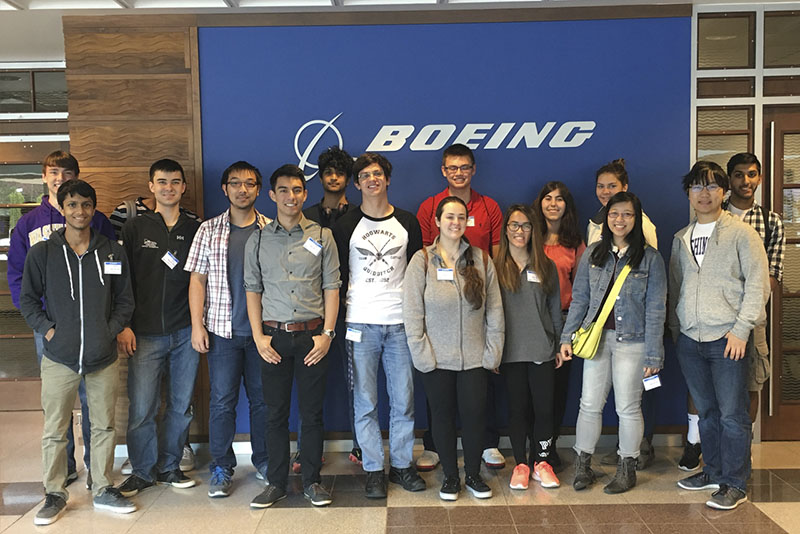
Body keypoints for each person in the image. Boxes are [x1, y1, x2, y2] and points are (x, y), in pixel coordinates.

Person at [20, 180, 136, 525]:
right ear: (62, 207)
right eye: (72, 205)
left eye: (86, 205)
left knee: (103, 426)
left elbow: (125, 299)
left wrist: (110, 329)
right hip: (59, 357)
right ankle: (54, 493)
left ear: (93, 208)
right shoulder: (43, 252)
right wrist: (50, 330)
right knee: (55, 429)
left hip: (102, 356)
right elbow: (27, 299)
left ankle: (102, 487)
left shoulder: (112, 251)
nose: (80, 211)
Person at [7, 150, 115, 491]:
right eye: (54, 172)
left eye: (67, 173)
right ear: (44, 177)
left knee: (94, 403)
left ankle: (96, 474)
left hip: (98, 333)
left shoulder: (99, 223)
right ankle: (63, 471)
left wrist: (110, 327)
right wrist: (44, 324)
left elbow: (119, 281)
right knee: (58, 405)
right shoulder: (27, 226)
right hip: (53, 329)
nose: (60, 178)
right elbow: (18, 279)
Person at [671, 161, 770, 510]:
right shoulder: (681, 238)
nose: (704, 193)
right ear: (688, 193)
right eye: (697, 186)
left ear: (724, 192)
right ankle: (712, 471)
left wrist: (741, 330)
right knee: (708, 412)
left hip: (729, 340)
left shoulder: (742, 233)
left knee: (733, 414)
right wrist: (676, 332)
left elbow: (758, 287)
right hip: (690, 340)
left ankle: (735, 482)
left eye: (712, 186)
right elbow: (676, 288)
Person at [245, 164, 341, 509]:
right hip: (273, 339)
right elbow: (252, 290)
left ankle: (313, 481)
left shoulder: (321, 236)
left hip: (313, 338)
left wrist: (328, 334)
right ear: (272, 196)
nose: (291, 196)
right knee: (275, 414)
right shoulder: (257, 239)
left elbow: (332, 287)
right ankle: (276, 483)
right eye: (283, 190)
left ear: (305, 194)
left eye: (297, 190)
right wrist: (258, 337)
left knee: (312, 414)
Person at [560, 191, 666, 495]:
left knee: (628, 407)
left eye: (627, 214)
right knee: (589, 404)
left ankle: (626, 467)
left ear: (637, 218)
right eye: (614, 214)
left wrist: (653, 355)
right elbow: (579, 300)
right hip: (596, 341)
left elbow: (656, 308)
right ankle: (583, 465)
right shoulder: (593, 253)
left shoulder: (650, 258)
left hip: (633, 342)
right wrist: (567, 337)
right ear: (607, 218)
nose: (620, 220)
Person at [332, 153, 425, 499]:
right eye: (365, 175)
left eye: (378, 174)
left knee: (404, 401)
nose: (372, 179)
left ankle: (401, 466)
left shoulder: (407, 222)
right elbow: (337, 276)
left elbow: (417, 275)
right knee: (365, 401)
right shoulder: (344, 225)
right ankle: (373, 468)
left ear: (387, 180)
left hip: (400, 324)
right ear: (356, 184)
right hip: (359, 324)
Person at [403, 196, 504, 501]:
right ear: (437, 221)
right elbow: (412, 312)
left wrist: (492, 353)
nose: (455, 223)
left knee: (474, 417)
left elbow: (495, 311)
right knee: (443, 418)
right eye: (449, 217)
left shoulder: (482, 259)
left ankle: (472, 475)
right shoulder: (421, 260)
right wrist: (422, 355)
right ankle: (450, 477)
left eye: (461, 217)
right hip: (436, 360)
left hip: (475, 360)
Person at [415, 143, 505, 472]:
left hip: (478, 305)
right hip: (441, 308)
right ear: (443, 171)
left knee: (483, 383)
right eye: (452, 167)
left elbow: (495, 256)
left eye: (464, 167)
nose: (458, 172)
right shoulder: (429, 207)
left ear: (473, 169)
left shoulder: (490, 206)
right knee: (437, 386)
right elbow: (429, 254)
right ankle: (436, 446)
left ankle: (487, 442)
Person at [184, 161, 271, 498]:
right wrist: (197, 325)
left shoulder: (271, 229)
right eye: (235, 183)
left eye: (250, 183)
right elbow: (197, 280)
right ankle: (221, 467)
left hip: (263, 334)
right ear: (225, 189)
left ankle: (264, 460)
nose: (242, 189)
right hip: (221, 333)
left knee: (263, 402)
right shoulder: (208, 230)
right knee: (222, 402)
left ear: (258, 190)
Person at [115, 159, 201, 498]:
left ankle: (169, 467)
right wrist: (124, 325)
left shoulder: (194, 228)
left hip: (185, 332)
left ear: (183, 187)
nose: (168, 187)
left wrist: (198, 326)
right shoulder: (136, 228)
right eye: (162, 182)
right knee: (142, 408)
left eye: (175, 182)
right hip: (145, 333)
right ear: (151, 186)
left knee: (181, 406)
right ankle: (142, 472)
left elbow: (200, 280)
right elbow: (122, 281)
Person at [588, 159, 658, 469]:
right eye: (601, 186)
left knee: (633, 400)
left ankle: (638, 451)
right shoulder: (596, 223)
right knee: (594, 402)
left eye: (612, 186)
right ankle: (620, 449)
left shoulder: (643, 225)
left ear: (625, 188)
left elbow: (646, 282)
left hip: (634, 332)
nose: (605, 192)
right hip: (602, 330)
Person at [301, 145, 361, 470]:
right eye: (328, 172)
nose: (334, 177)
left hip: (352, 310)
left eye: (340, 172)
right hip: (312, 311)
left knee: (357, 381)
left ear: (348, 179)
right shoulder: (306, 217)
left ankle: (361, 445)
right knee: (311, 383)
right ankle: (310, 449)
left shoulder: (359, 217)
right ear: (321, 177)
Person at [495, 204, 562, 490]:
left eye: (525, 226)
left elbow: (555, 309)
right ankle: (521, 464)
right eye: (514, 225)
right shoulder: (494, 266)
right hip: (509, 353)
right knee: (518, 410)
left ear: (534, 230)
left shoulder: (546, 266)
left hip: (541, 350)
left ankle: (542, 463)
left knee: (545, 410)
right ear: (506, 229)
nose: (519, 231)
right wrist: (493, 349)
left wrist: (560, 345)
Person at [535, 181, 586, 470]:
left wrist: (569, 332)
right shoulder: (528, 239)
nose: (553, 204)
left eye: (559, 199)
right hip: (531, 322)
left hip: (564, 324)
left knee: (556, 391)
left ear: (567, 205)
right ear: (539, 203)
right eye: (548, 198)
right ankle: (531, 446)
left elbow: (581, 291)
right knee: (532, 390)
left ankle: (549, 447)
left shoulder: (575, 243)